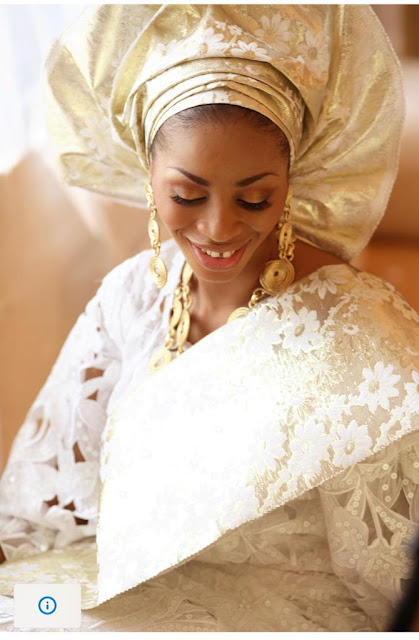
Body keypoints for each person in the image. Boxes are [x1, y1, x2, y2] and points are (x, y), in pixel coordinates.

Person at [0, 4, 418, 633]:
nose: (219, 229)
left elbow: (393, 583)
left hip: (280, 616)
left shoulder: (360, 335)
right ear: (148, 175)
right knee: (22, 615)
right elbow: (46, 507)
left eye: (255, 198)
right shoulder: (130, 296)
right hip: (114, 590)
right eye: (187, 195)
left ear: (290, 179)